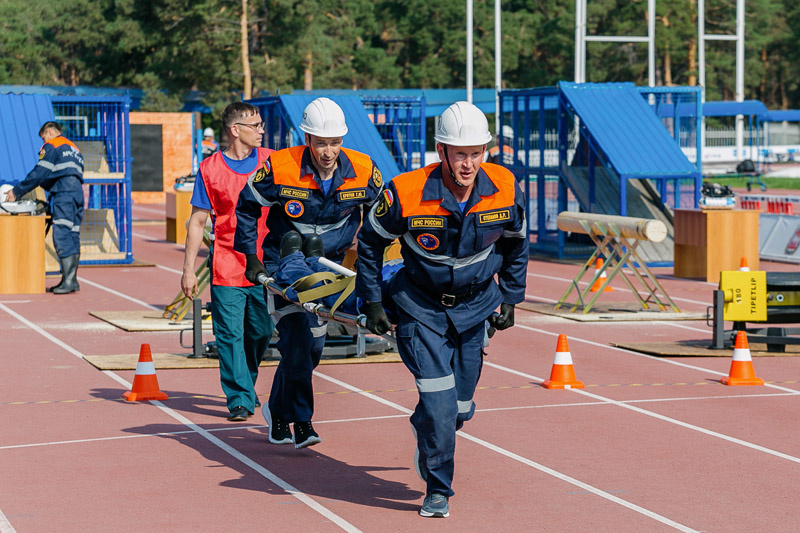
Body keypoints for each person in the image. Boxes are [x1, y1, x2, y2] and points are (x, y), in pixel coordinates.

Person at [356, 101, 528, 518]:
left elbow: (515, 244)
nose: (468, 164)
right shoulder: (405, 191)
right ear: (441, 151)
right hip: (420, 309)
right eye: (459, 154)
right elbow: (369, 244)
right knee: (439, 402)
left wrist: (510, 297)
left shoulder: (504, 186)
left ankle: (427, 429)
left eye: (476, 153)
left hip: (476, 309)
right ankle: (438, 488)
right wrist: (375, 300)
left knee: (460, 409)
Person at [234, 97, 383, 449]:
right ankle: (301, 420)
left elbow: (382, 218)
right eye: (320, 143)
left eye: (334, 143)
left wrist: (368, 259)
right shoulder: (280, 167)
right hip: (284, 264)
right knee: (298, 342)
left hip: (330, 267)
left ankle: (276, 408)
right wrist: (250, 259)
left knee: (311, 349)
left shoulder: (364, 170)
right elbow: (246, 206)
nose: (327, 152)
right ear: (307, 138)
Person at [181, 102, 275, 422]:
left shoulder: (271, 162)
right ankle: (239, 397)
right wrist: (188, 271)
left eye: (262, 125)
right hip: (226, 264)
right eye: (256, 125)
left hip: (266, 264)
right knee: (229, 333)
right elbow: (196, 222)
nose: (262, 130)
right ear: (236, 130)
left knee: (261, 331)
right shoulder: (209, 169)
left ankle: (245, 379)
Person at [7, 121, 84, 294]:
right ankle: (71, 279)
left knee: (62, 233)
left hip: (64, 193)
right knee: (73, 234)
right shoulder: (74, 149)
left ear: (49, 133)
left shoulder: (52, 145)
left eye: (43, 137)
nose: (43, 141)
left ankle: (68, 281)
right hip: (77, 193)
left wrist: (17, 191)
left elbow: (40, 173)